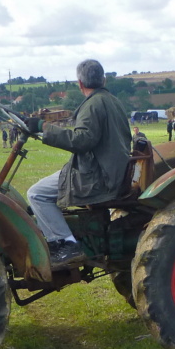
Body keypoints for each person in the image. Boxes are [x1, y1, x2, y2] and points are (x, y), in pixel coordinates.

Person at [26, 59, 131, 268]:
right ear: (103, 79)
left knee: (36, 194)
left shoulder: (93, 104)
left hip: (100, 176)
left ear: (80, 84)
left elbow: (82, 140)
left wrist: (43, 127)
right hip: (110, 170)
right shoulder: (111, 100)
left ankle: (67, 244)